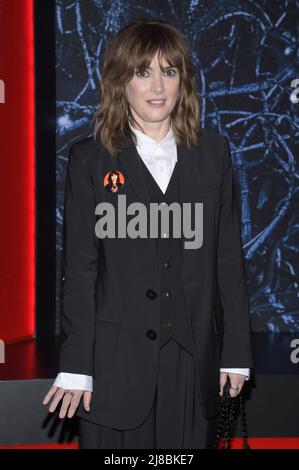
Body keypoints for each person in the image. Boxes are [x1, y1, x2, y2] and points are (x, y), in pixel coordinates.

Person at [42, 18, 254, 449]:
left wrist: (235, 353)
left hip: (194, 363)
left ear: (183, 81)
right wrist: (77, 364)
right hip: (114, 365)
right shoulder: (90, 160)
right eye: (143, 72)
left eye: (169, 71)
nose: (157, 86)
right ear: (122, 81)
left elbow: (228, 263)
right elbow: (80, 273)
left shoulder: (214, 154)